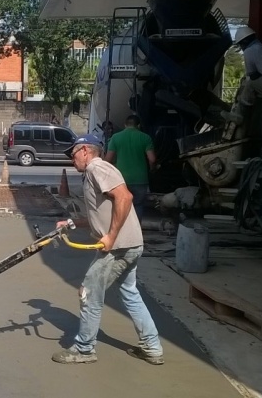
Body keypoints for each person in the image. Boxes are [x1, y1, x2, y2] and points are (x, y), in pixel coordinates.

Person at [52, 134, 163, 366]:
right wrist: (71, 223)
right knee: (130, 294)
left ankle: (84, 349)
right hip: (129, 244)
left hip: (118, 247)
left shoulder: (97, 168)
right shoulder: (95, 173)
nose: (72, 161)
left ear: (85, 151)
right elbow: (100, 213)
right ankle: (152, 347)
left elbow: (125, 197)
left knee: (89, 293)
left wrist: (111, 236)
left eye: (73, 155)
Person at [104, 115, 156, 222]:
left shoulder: (115, 137)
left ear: (125, 125)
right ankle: (136, 233)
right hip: (140, 179)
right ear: (139, 125)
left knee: (120, 205)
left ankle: (121, 231)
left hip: (121, 180)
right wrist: (152, 168)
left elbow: (107, 159)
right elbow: (152, 159)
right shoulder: (145, 137)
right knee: (138, 206)